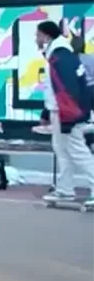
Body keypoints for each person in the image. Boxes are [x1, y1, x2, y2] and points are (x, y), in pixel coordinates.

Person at [36, 21, 94, 205]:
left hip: (67, 113)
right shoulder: (60, 55)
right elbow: (54, 88)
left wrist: (68, 117)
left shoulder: (60, 57)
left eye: (37, 35)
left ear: (46, 36)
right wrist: (46, 113)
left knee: (78, 152)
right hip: (60, 112)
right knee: (62, 151)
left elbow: (68, 90)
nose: (35, 38)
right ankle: (65, 189)